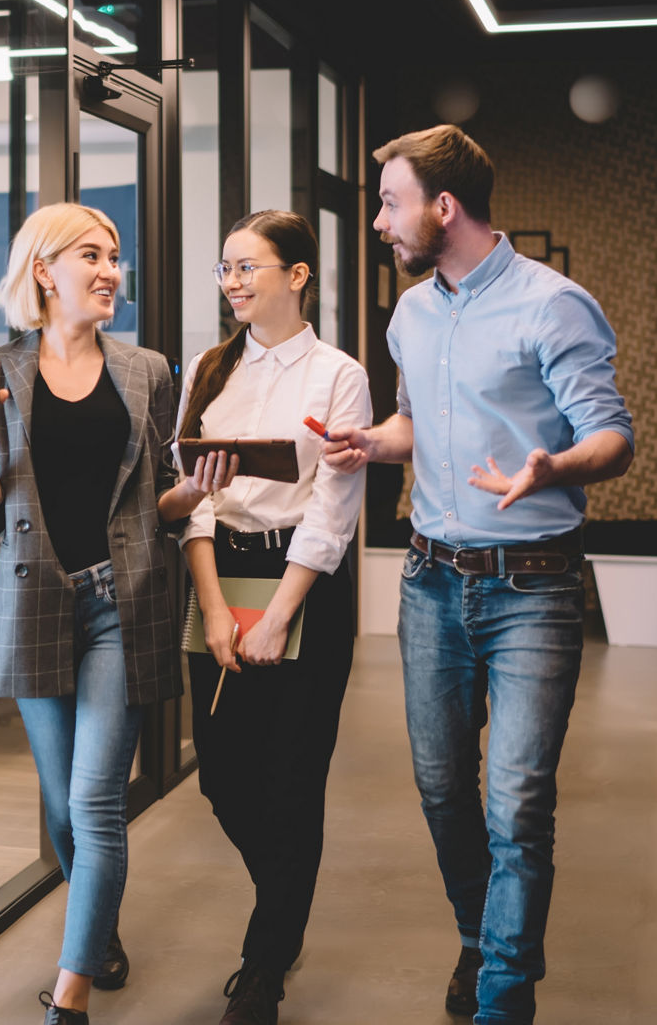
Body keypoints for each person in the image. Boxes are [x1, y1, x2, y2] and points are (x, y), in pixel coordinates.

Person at [324, 124, 634, 1024]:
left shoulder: (553, 305)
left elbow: (611, 438)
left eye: (389, 201)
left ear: (442, 206)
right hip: (429, 583)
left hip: (533, 586)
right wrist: (370, 443)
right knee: (440, 786)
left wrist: (553, 466)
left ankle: (503, 994)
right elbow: (415, 425)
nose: (380, 220)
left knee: (518, 803)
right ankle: (480, 932)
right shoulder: (410, 314)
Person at [0, 202, 213, 1025]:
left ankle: (70, 995)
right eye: (92, 256)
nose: (111, 272)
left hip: (121, 602)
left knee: (97, 801)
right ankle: (97, 932)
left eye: (115, 257)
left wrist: (195, 493)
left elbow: (156, 505)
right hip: (35, 602)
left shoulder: (147, 370)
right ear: (44, 270)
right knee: (63, 805)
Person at [170, 210, 373, 1025]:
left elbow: (333, 511)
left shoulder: (339, 374)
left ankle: (264, 962)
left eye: (249, 267)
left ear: (299, 275)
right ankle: (284, 900)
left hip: (306, 586)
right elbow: (192, 500)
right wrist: (215, 606)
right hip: (222, 574)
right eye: (226, 269)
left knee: (292, 781)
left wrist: (278, 614)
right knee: (221, 772)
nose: (234, 282)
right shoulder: (207, 370)